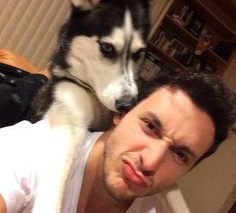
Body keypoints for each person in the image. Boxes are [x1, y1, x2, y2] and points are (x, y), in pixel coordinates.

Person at [0, 70, 235, 213]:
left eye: (180, 154)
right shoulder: (37, 149)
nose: (150, 162)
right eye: (151, 126)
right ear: (121, 113)